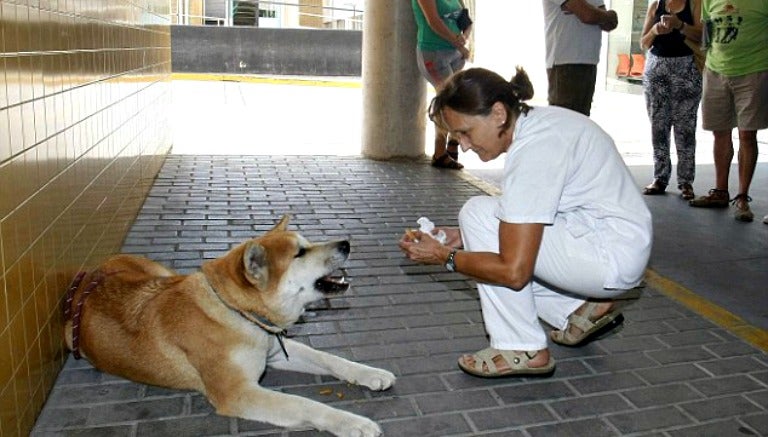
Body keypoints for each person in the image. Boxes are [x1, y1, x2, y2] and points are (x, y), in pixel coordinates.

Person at [399, 68, 652, 377]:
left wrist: (445, 257)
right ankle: (574, 310)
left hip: (608, 257)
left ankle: (521, 347)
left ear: (498, 113)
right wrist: (464, 237)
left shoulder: (536, 150)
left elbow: (514, 273)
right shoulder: (540, 125)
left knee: (478, 216)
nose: (463, 145)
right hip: (611, 242)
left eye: (466, 132)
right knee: (479, 221)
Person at [688, 0, 768, 222]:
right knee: (720, 132)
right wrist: (705, 62)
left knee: (747, 134)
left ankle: (742, 198)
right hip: (716, 71)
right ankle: (720, 192)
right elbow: (707, 33)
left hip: (753, 70)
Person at [639, 0, 703, 200]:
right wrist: (656, 30)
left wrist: (680, 25)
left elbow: (703, 36)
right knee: (658, 127)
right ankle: (660, 177)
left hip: (687, 69)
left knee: (685, 128)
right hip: (656, 70)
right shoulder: (656, 4)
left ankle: (686, 181)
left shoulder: (695, 3)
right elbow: (644, 42)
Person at [412, 0, 471, 170]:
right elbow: (433, 21)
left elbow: (466, 21)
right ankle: (439, 153)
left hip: (455, 54)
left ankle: (452, 144)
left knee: (453, 100)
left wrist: (464, 38)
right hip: (433, 52)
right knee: (446, 101)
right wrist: (457, 42)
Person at [542, 0, 619, 116]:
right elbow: (587, 15)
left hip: (588, 62)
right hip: (564, 63)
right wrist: (604, 14)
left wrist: (599, 14)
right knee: (564, 122)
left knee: (581, 121)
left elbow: (609, 24)